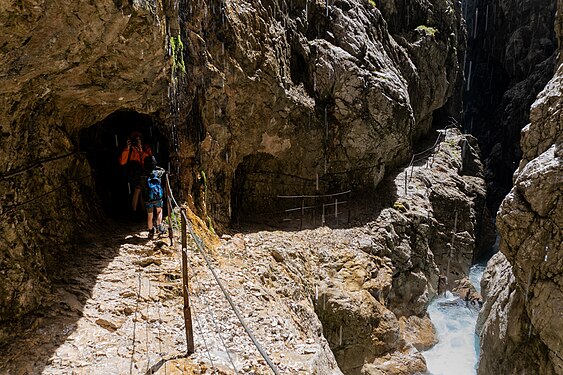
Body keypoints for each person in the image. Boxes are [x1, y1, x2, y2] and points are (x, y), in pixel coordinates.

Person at [119, 131, 153, 213]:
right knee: (138, 190)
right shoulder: (130, 149)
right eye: (135, 139)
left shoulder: (145, 148)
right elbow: (122, 162)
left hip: (145, 173)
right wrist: (127, 148)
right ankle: (135, 211)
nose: (137, 141)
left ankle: (143, 211)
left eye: (139, 139)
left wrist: (141, 151)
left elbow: (149, 160)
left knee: (142, 192)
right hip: (135, 174)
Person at [142, 156, 166, 239]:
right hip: (158, 196)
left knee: (150, 215)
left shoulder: (143, 173)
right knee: (159, 211)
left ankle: (151, 231)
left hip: (148, 198)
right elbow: (163, 170)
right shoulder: (158, 172)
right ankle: (159, 226)